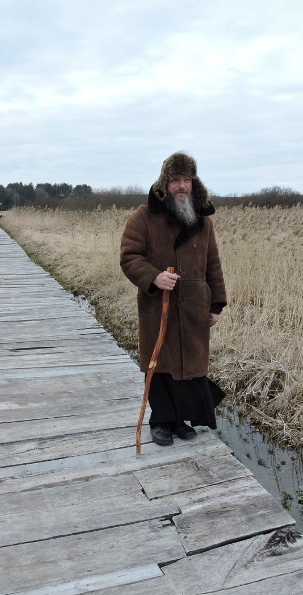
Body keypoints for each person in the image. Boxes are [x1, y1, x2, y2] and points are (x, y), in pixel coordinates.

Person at [120, 151, 227, 446]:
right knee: (160, 364)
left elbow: (213, 264)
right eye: (176, 180)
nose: (182, 185)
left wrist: (216, 304)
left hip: (194, 306)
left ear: (194, 183)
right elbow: (129, 257)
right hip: (158, 306)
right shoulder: (143, 216)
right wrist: (153, 276)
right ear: (165, 183)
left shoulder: (203, 220)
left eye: (187, 180)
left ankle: (179, 420)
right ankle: (160, 421)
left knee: (188, 367)